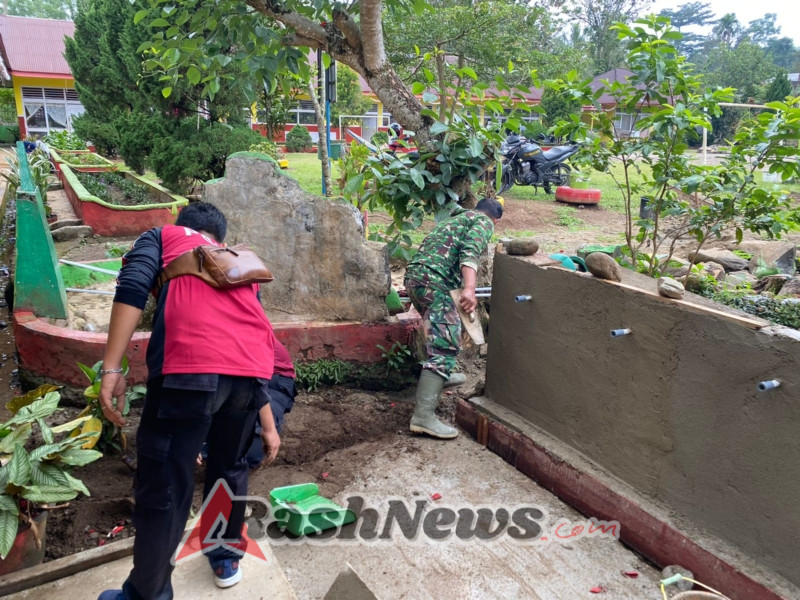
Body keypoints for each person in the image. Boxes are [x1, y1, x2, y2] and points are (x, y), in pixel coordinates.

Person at [97, 203, 280, 600]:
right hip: (250, 381)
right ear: (221, 239)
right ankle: (225, 558)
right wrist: (267, 422)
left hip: (190, 372)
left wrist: (112, 369)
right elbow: (254, 337)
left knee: (164, 483)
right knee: (230, 468)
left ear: (183, 226)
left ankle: (146, 594)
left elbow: (131, 286)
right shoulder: (236, 261)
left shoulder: (163, 237)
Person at [403, 198, 503, 440]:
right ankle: (423, 417)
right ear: (495, 220)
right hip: (434, 283)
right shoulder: (483, 222)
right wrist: (469, 288)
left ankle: (442, 376)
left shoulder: (456, 219)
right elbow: (469, 253)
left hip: (416, 278)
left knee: (439, 331)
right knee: (446, 342)